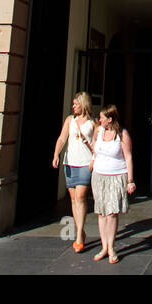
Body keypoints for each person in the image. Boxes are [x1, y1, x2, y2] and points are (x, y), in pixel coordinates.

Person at [52, 91, 96, 252]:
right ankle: (80, 231)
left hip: (85, 164)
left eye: (76, 104)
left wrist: (93, 160)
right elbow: (62, 138)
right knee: (73, 199)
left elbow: (96, 144)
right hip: (70, 163)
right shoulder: (70, 120)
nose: (73, 106)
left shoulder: (93, 123)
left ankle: (78, 236)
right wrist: (56, 153)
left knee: (80, 197)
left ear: (83, 104)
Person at [90, 105, 135, 264]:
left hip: (116, 176)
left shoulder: (122, 134)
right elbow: (95, 149)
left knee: (112, 212)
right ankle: (104, 247)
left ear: (110, 119)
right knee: (101, 212)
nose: (99, 120)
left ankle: (111, 247)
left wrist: (130, 180)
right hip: (99, 176)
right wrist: (93, 160)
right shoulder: (98, 131)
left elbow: (128, 157)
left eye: (102, 117)